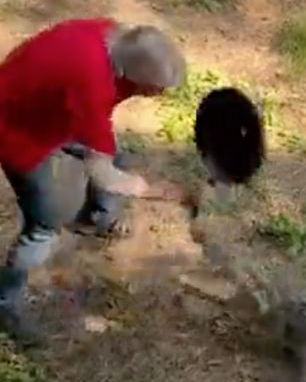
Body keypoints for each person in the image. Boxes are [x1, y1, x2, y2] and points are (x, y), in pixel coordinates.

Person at [0, 18, 189, 344]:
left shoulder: (111, 34)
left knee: (115, 153)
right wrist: (152, 190)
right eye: (153, 90)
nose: (157, 97)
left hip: (51, 107)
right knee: (45, 224)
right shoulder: (92, 85)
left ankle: (96, 218)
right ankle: (5, 302)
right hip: (16, 131)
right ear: (130, 76)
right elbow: (102, 172)